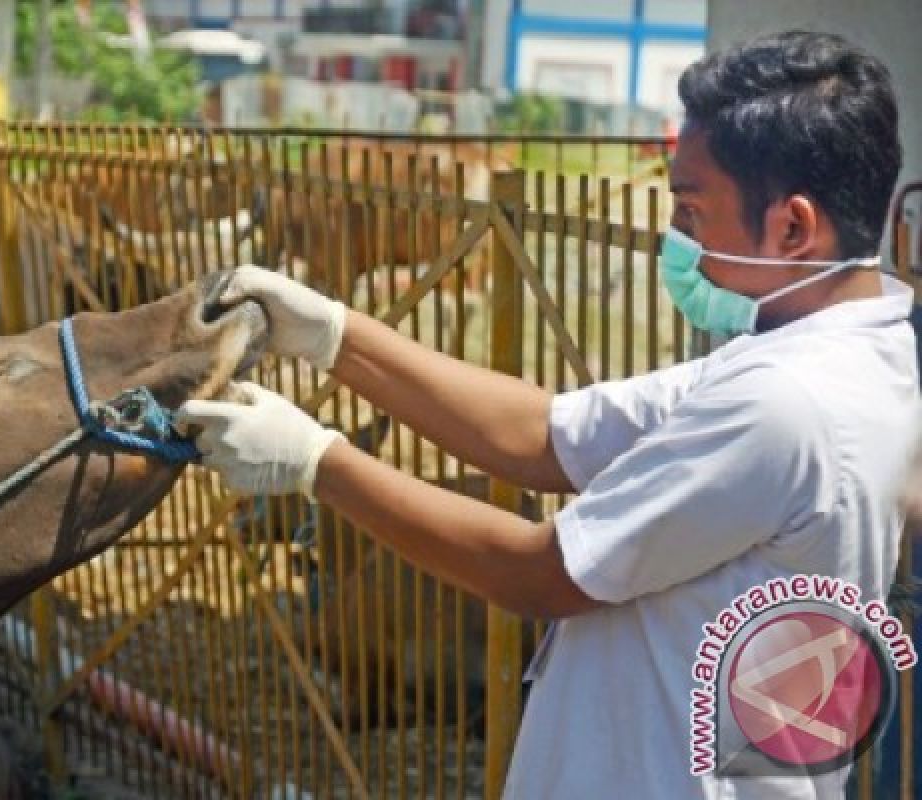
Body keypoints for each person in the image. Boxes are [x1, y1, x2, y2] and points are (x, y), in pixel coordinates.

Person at [177, 31, 919, 798]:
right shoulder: (840, 356)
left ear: (793, 228)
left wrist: (316, 462)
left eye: (694, 212)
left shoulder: (785, 405)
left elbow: (538, 573)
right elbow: (544, 433)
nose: (681, 239)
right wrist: (334, 334)